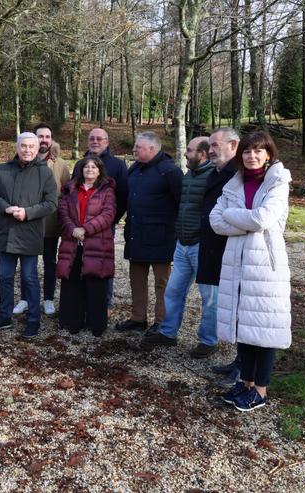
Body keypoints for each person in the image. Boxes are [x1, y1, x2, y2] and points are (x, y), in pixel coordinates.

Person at [210, 131, 291, 412]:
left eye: (258, 150)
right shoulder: (234, 184)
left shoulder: (278, 183)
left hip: (265, 266)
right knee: (243, 325)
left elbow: (263, 218)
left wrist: (233, 216)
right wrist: (245, 220)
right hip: (237, 263)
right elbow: (214, 221)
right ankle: (244, 382)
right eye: (247, 151)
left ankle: (260, 390)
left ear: (268, 154)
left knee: (264, 328)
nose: (252, 156)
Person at [140, 136, 219, 358]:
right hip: (182, 243)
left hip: (202, 244)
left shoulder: (214, 178)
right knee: (173, 291)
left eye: (191, 151)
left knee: (209, 296)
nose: (185, 154)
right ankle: (168, 333)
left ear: (202, 154)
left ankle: (208, 340)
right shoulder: (188, 176)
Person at [0, 132, 58, 338]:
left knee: (30, 278)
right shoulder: (2, 169)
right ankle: (4, 316)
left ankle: (33, 319)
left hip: (30, 234)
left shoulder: (45, 173)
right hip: (6, 233)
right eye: (23, 146)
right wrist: (6, 208)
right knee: (5, 277)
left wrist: (28, 212)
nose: (27, 150)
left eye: (31, 147)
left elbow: (51, 203)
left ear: (37, 149)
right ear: (17, 148)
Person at [116, 131, 182, 334]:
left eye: (138, 147)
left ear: (152, 149)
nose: (134, 149)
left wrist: (179, 233)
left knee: (162, 283)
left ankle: (161, 323)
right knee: (136, 280)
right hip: (136, 234)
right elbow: (124, 200)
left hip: (161, 237)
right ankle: (138, 318)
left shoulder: (170, 171)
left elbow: (182, 204)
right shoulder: (134, 169)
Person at [12, 123, 70, 317]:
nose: (44, 140)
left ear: (51, 139)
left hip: (49, 223)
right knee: (26, 262)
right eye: (40, 136)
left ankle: (48, 298)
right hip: (26, 223)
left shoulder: (60, 165)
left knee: (49, 261)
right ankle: (25, 298)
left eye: (47, 136)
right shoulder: (21, 161)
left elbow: (66, 194)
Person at [56, 157, 116, 337]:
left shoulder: (107, 190)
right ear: (81, 170)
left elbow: (108, 214)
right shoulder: (70, 189)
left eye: (94, 167)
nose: (90, 169)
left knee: (96, 283)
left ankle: (96, 324)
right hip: (72, 240)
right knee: (71, 282)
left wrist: (86, 229)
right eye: (86, 166)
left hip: (97, 242)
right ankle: (71, 322)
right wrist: (72, 229)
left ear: (99, 171)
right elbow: (63, 211)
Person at [201, 128, 241, 386]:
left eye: (215, 145)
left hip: (230, 248)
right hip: (212, 244)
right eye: (210, 146)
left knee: (239, 308)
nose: (211, 150)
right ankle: (239, 361)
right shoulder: (214, 172)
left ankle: (244, 366)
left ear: (233, 145)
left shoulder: (238, 175)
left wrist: (217, 222)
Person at [83, 127, 128, 321]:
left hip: (105, 225)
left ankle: (105, 303)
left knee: (103, 264)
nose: (95, 141)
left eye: (99, 139)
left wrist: (112, 220)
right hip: (81, 226)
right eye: (92, 138)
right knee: (82, 263)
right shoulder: (81, 163)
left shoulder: (117, 165)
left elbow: (123, 195)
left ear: (107, 142)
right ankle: (84, 302)